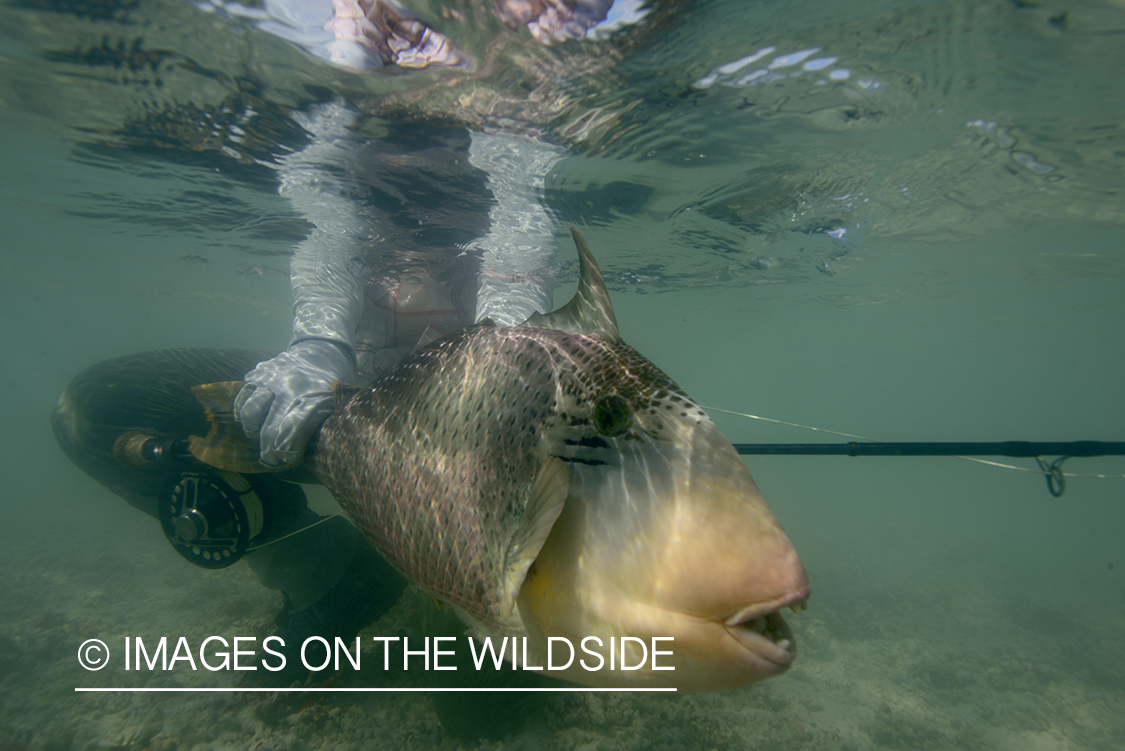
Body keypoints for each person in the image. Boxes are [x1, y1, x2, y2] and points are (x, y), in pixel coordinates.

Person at [52, 0, 640, 687]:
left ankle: (465, 585)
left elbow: (514, 259)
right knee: (93, 409)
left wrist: (497, 377)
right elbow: (330, 231)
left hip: (466, 448)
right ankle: (328, 571)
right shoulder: (346, 90)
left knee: (491, 703)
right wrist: (317, 342)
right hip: (338, 409)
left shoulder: (512, 128)